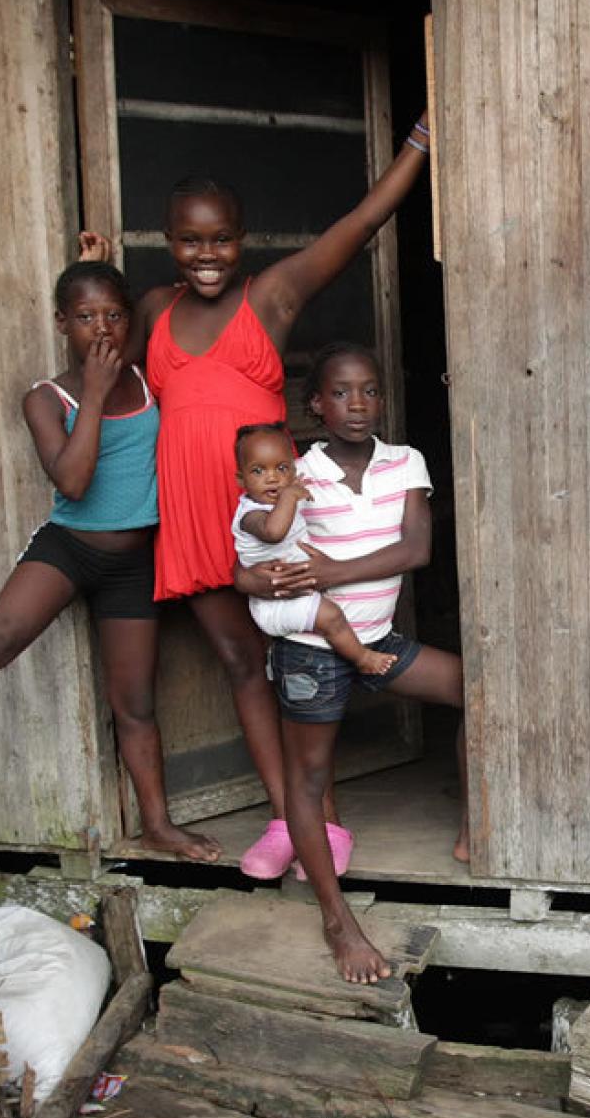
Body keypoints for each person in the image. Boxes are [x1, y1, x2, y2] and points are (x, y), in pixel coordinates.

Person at [121, 114, 430, 880]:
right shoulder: (155, 310)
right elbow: (117, 381)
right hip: (193, 516)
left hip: (272, 521)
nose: (206, 255)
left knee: (295, 653)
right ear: (168, 240)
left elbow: (359, 224)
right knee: (238, 661)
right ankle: (286, 819)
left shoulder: (274, 294)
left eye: (220, 239)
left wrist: (419, 145)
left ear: (242, 238)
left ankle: (322, 823)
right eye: (190, 240)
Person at [0, 261, 219, 860]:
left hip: (135, 563)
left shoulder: (148, 378)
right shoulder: (46, 398)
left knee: (136, 703)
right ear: (60, 323)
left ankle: (157, 824)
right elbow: (72, 481)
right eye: (85, 317)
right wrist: (93, 396)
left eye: (114, 315)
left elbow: (164, 295)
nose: (102, 329)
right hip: (70, 548)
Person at [236, 343, 466, 983]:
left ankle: (479, 827)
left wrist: (337, 570)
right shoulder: (293, 472)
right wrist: (254, 583)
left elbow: (417, 549)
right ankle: (338, 921)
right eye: (340, 393)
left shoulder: (406, 461)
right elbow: (245, 555)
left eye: (368, 391)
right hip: (312, 649)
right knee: (307, 782)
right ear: (315, 404)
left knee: (479, 693)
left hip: (379, 637)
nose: (356, 404)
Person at [230, 423, 396, 677]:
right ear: (241, 479)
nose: (272, 478)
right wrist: (289, 496)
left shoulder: (285, 492)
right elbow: (274, 533)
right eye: (258, 471)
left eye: (282, 468)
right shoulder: (250, 515)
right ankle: (362, 658)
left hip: (292, 593)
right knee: (331, 617)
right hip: (274, 604)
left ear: (294, 471)